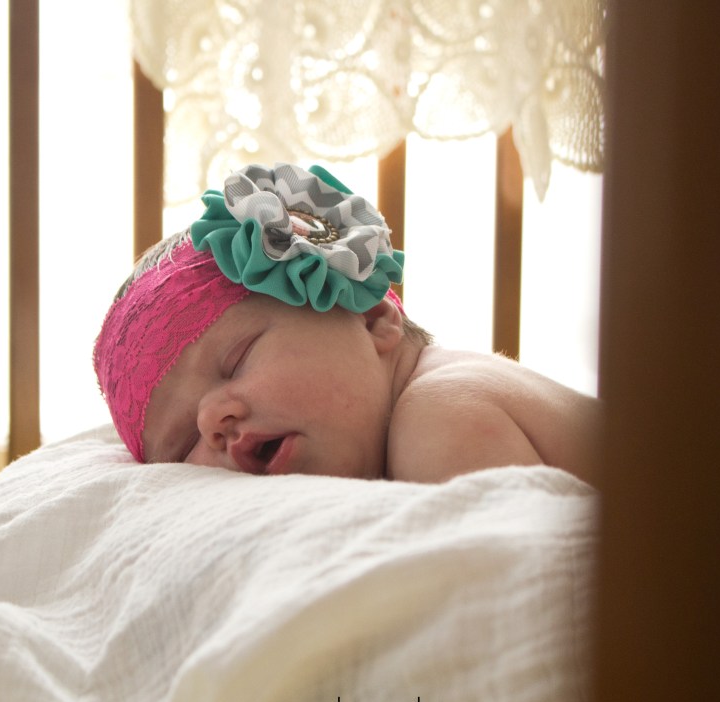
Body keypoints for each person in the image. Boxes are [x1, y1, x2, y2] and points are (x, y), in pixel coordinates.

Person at [93, 163, 600, 486]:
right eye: (185, 445)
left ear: (374, 318)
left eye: (237, 360)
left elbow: (514, 591)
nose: (212, 420)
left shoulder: (439, 416)